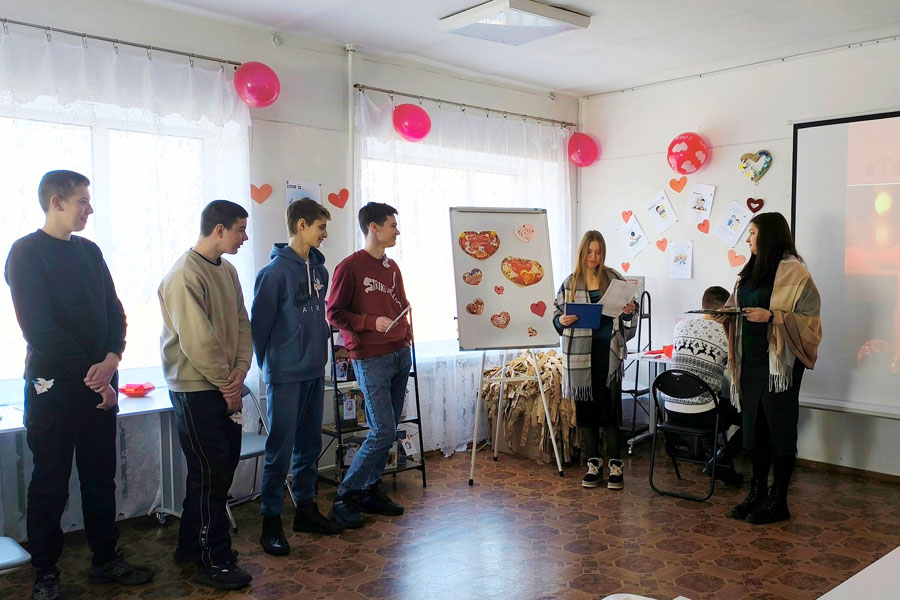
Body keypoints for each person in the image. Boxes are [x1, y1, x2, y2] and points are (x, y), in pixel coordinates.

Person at [5, 170, 154, 600]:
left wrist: (112, 360)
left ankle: (105, 559)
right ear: (56, 202)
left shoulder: (89, 251)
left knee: (100, 478)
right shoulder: (25, 253)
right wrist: (96, 378)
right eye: (82, 202)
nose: (90, 210)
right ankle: (45, 571)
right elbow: (40, 329)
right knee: (49, 483)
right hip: (53, 388)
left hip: (101, 383)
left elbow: (115, 313)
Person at [158, 200, 253, 590]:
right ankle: (213, 559)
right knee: (210, 473)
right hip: (196, 390)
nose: (244, 237)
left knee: (220, 468)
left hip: (224, 384)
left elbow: (242, 324)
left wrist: (241, 369)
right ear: (219, 230)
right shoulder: (184, 274)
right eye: (240, 229)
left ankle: (190, 546)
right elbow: (197, 340)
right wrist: (227, 384)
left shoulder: (227, 270)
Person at [715, 212, 822, 525]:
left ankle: (779, 500)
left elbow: (811, 320)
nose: (748, 239)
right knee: (756, 431)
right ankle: (757, 491)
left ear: (769, 235)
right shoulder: (749, 271)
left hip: (779, 366)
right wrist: (726, 314)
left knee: (779, 430)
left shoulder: (795, 272)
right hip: (749, 361)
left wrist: (773, 317)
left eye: (752, 233)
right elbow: (736, 304)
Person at [251, 199, 344, 556]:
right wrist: (274, 365)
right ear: (302, 225)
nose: (325, 234)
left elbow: (319, 318)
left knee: (309, 444)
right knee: (280, 448)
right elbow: (259, 329)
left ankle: (305, 509)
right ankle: (271, 520)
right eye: (321, 227)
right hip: (285, 373)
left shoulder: (321, 271)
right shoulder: (273, 274)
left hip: (314, 370)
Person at [326, 202, 412, 528]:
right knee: (382, 430)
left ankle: (369, 490)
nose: (397, 231)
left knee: (388, 431)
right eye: (392, 225)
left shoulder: (393, 268)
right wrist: (369, 322)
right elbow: (333, 313)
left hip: (399, 354)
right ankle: (345, 496)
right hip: (370, 358)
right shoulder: (349, 267)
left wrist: (406, 338)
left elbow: (402, 304)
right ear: (373, 227)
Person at [552, 230, 636, 490]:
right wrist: (561, 320)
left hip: (608, 354)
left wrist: (628, 313)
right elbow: (556, 315)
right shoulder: (570, 283)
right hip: (580, 356)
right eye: (589, 251)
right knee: (586, 410)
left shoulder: (614, 279)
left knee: (610, 411)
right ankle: (593, 464)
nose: (594, 256)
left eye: (598, 252)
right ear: (582, 252)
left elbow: (629, 319)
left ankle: (616, 466)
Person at [664, 286, 743, 485]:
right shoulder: (725, 332)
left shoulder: (680, 325)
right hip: (703, 414)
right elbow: (735, 366)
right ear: (724, 310)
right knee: (754, 419)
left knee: (713, 402)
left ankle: (715, 461)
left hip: (671, 409)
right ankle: (719, 460)